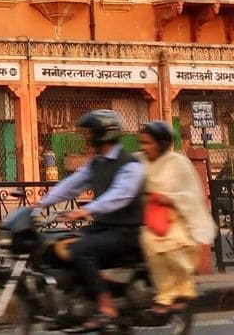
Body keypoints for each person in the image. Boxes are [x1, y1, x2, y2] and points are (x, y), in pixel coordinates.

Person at [37, 109, 144, 333]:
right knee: (52, 247)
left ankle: (107, 307)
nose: (86, 137)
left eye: (90, 132)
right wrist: (41, 204)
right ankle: (76, 302)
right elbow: (72, 184)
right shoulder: (97, 162)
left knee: (81, 250)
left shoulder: (130, 165)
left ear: (103, 134)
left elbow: (118, 196)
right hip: (103, 227)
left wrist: (85, 211)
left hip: (125, 232)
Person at [136, 121, 215, 316]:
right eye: (142, 143)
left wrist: (168, 198)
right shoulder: (137, 160)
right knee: (151, 245)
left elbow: (191, 193)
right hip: (150, 217)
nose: (144, 148)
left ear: (161, 144)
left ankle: (183, 289)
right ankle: (165, 294)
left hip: (176, 216)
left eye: (148, 143)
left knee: (175, 247)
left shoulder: (179, 163)